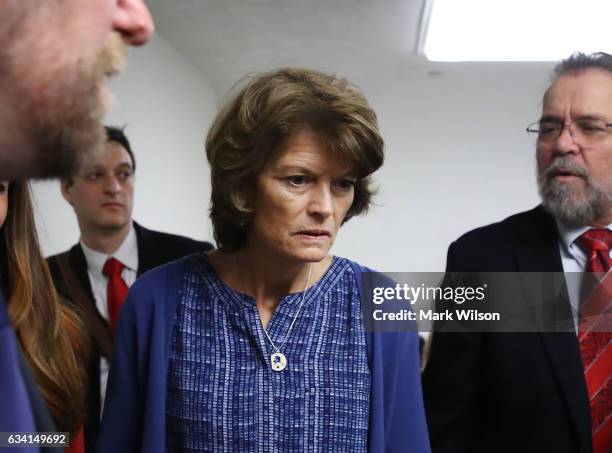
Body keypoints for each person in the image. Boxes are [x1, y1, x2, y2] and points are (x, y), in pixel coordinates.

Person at [97, 68, 430, 453]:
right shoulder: (155, 301)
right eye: (298, 180)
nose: (324, 208)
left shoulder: (382, 305)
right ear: (242, 185)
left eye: (342, 184)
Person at [423, 52, 612, 453]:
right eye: (548, 127)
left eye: (590, 127)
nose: (562, 144)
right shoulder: (479, 260)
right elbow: (445, 427)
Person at [0, 0, 153, 448]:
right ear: (66, 189)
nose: (139, 21)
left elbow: (31, 438)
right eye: (94, 174)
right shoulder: (43, 286)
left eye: (1, 186)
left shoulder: (30, 311)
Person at [47, 126, 213, 452]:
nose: (114, 187)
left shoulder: (192, 261)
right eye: (95, 175)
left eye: (124, 174)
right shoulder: (44, 279)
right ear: (67, 188)